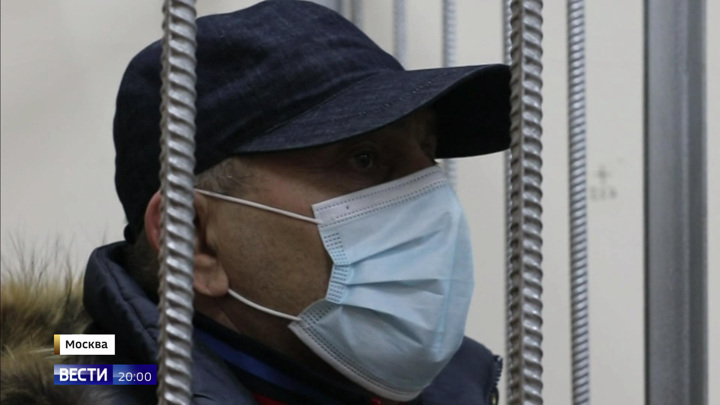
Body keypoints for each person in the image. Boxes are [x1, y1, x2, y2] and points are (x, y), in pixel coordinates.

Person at [1, 0, 510, 403]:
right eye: (363, 159)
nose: (435, 198)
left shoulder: (457, 387)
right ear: (194, 241)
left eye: (428, 153)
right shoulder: (81, 377)